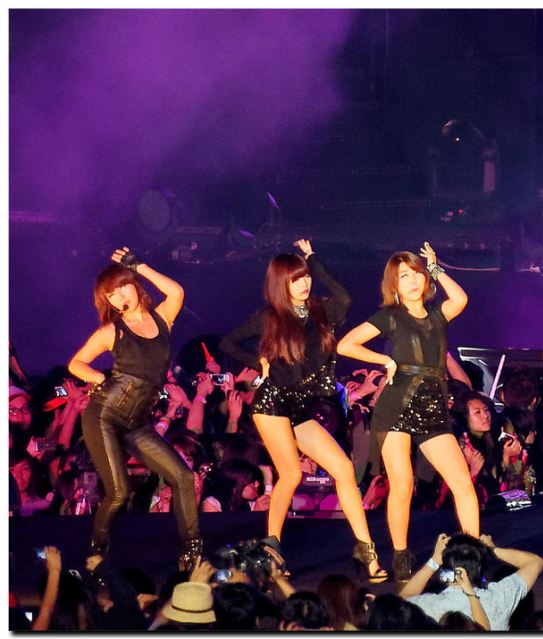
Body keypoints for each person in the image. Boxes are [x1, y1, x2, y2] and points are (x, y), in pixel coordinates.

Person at [220, 239, 386, 583]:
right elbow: (228, 343)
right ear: (281, 283)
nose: (304, 283)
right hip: (271, 403)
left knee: (343, 469)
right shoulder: (270, 317)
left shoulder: (323, 312)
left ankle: (366, 551)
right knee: (292, 474)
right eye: (296, 279)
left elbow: (344, 297)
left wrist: (313, 259)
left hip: (299, 408)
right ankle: (271, 551)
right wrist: (259, 362)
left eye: (306, 276)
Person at [337, 243, 479, 582]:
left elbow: (461, 299)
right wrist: (384, 360)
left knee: (461, 481)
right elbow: (345, 345)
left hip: (433, 405)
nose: (413, 281)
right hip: (397, 404)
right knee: (402, 484)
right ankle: (400, 554)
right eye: (404, 276)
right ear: (394, 284)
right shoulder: (390, 316)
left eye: (417, 273)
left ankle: (473, 554)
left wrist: (437, 268)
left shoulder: (438, 314)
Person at [67, 247, 201, 570]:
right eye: (110, 296)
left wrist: (139, 266)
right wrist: (98, 377)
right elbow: (76, 363)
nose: (118, 298)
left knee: (183, 477)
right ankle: (96, 555)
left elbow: (177, 292)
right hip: (104, 416)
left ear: (134, 284)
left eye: (121, 288)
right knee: (118, 492)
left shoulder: (162, 318)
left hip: (137, 422)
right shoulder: (111, 331)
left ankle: (192, 553)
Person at [401, 533, 543, 631]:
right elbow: (536, 562)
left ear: (446, 571)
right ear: (481, 569)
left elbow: (403, 598)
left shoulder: (429, 605)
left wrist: (434, 561)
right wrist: (492, 549)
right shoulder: (498, 597)